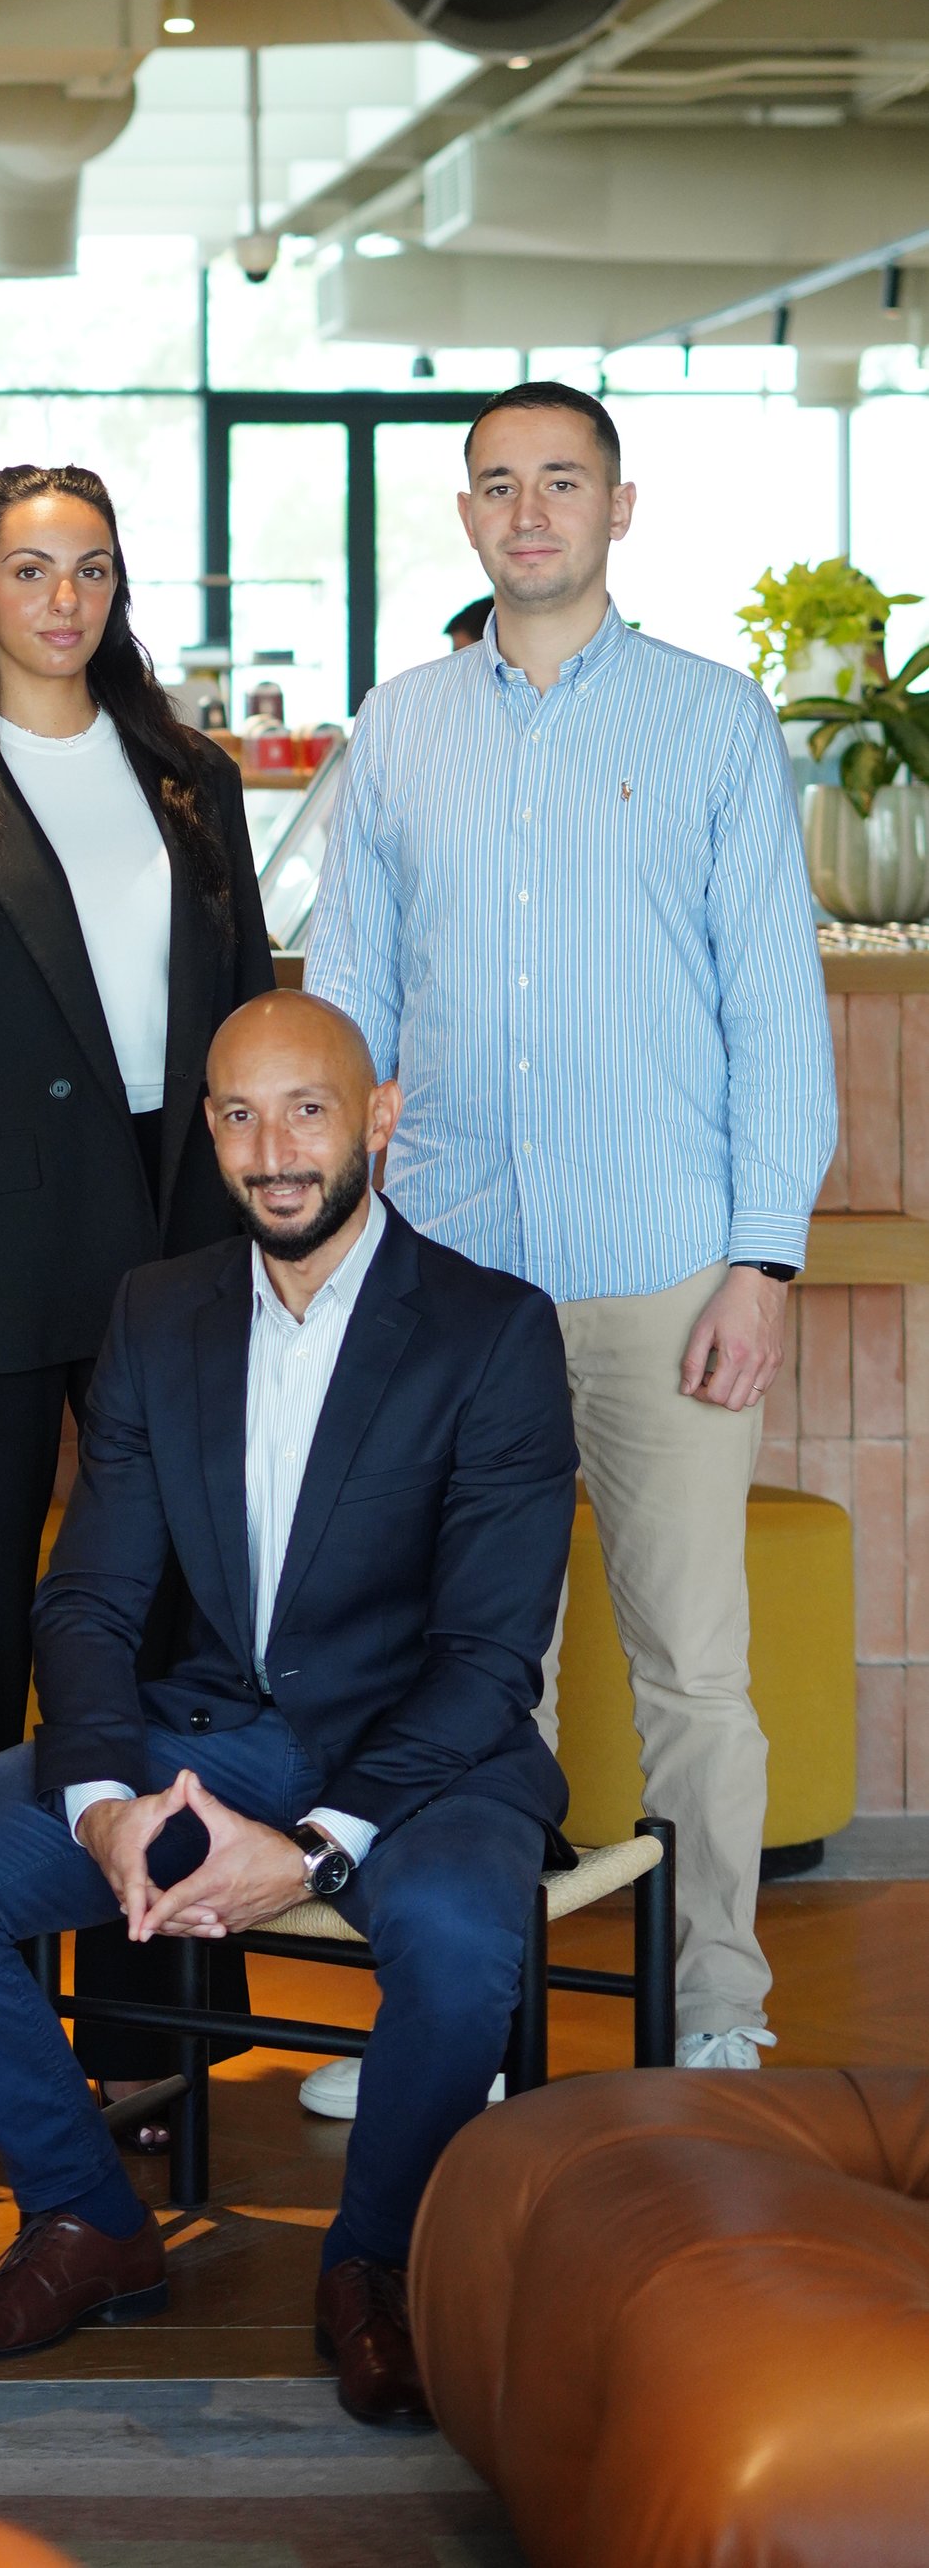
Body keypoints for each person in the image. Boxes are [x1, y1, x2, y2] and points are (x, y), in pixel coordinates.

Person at [0, 991, 578, 2431]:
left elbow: (489, 1655)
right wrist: (104, 1802)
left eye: (307, 1108)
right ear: (208, 1127)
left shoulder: (492, 1330)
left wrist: (311, 1847)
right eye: (240, 1115)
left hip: (428, 1759)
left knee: (451, 1929)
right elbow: (90, 1600)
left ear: (378, 1115)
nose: (275, 1150)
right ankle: (89, 2217)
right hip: (213, 1735)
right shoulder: (160, 1309)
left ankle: (372, 2259)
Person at [306, 378, 835, 2085]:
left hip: (670, 1271)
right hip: (454, 1283)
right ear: (464, 517)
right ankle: (465, 2014)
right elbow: (349, 1000)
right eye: (497, 486)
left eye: (561, 482)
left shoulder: (709, 721)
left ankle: (719, 2008)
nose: (528, 510)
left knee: (690, 1665)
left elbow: (776, 1011)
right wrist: (333, 1232)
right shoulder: (398, 729)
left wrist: (764, 1260)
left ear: (621, 508)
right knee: (469, 1672)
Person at [0, 462, 274, 1841]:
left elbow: (252, 1012)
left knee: (179, 1611)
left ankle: (165, 1976)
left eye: (89, 568)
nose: (62, 596)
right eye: (29, 569)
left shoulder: (193, 776)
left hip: (183, 1233)